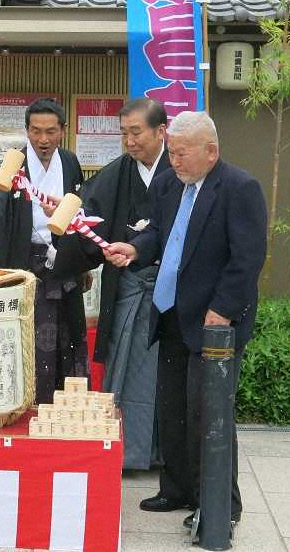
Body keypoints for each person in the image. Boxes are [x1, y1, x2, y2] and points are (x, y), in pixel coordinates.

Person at [104, 110, 267, 526]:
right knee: (172, 408)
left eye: (180, 153)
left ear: (210, 152)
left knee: (207, 412)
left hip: (215, 321)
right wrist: (136, 249)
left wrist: (225, 309)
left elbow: (247, 259)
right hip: (171, 311)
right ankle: (175, 489)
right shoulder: (168, 186)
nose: (173, 161)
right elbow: (159, 233)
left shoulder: (239, 188)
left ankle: (219, 504)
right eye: (171, 153)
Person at [52, 97, 170, 468]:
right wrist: (67, 218)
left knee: (167, 373)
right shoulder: (118, 172)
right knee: (125, 367)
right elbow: (87, 212)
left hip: (170, 295)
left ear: (161, 131)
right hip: (128, 289)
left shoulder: (179, 168)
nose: (129, 141)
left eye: (136, 132)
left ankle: (166, 455)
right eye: (124, 134)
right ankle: (129, 451)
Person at [0, 98, 86, 403]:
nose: (43, 140)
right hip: (27, 261)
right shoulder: (15, 163)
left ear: (63, 131)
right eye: (36, 131)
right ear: (26, 130)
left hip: (62, 259)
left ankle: (67, 404)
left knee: (68, 333)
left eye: (50, 131)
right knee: (31, 338)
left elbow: (79, 210)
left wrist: (84, 262)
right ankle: (30, 403)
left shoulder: (71, 163)